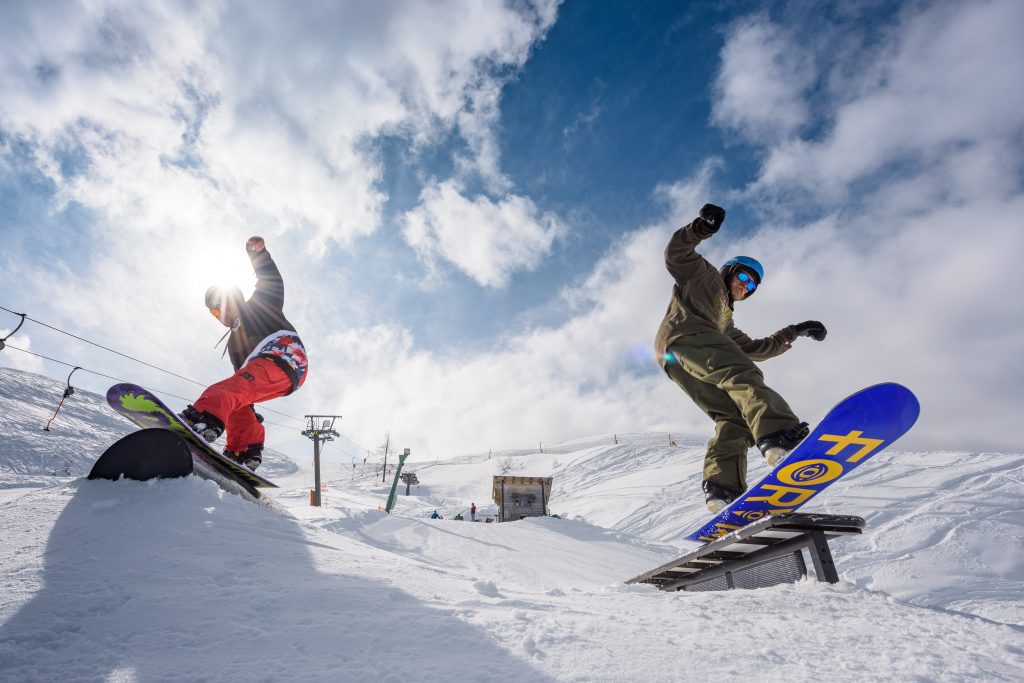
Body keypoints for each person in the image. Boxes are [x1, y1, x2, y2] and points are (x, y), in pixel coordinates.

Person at [654, 203, 827, 513]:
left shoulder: (725, 322)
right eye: (743, 278)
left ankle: (722, 488)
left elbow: (756, 348)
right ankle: (779, 436)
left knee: (733, 417)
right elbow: (676, 253)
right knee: (741, 374)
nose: (744, 287)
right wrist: (701, 228)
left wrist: (794, 331)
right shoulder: (703, 275)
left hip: (676, 361)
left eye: (751, 287)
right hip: (687, 338)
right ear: (731, 270)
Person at [179, 236, 309, 471]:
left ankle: (201, 420)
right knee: (237, 402)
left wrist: (258, 255)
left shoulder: (258, 306)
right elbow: (244, 387)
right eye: (213, 313)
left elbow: (272, 282)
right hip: (274, 371)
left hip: (282, 355)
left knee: (222, 392)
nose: (219, 314)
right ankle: (244, 450)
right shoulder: (234, 345)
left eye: (220, 306)